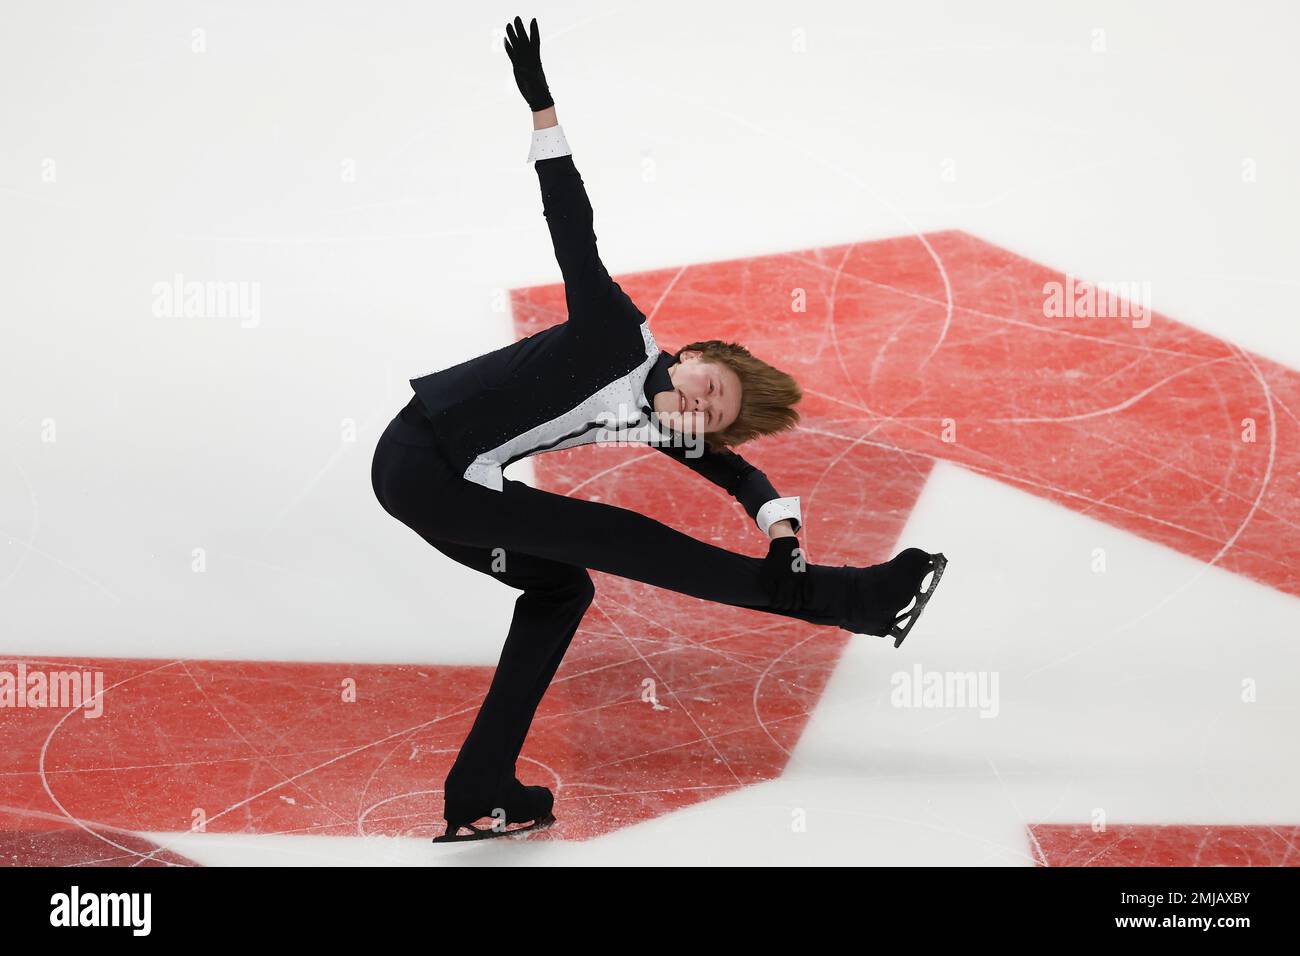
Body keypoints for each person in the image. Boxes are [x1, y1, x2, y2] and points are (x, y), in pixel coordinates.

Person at [370, 16, 947, 843]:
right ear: (696, 354)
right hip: (425, 460)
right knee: (626, 536)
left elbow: (735, 475)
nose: (701, 412)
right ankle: (853, 599)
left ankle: (480, 789)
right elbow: (573, 226)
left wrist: (780, 528)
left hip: (444, 481)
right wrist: (543, 110)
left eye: (716, 414)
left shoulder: (659, 415)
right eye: (709, 388)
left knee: (562, 585)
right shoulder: (613, 329)